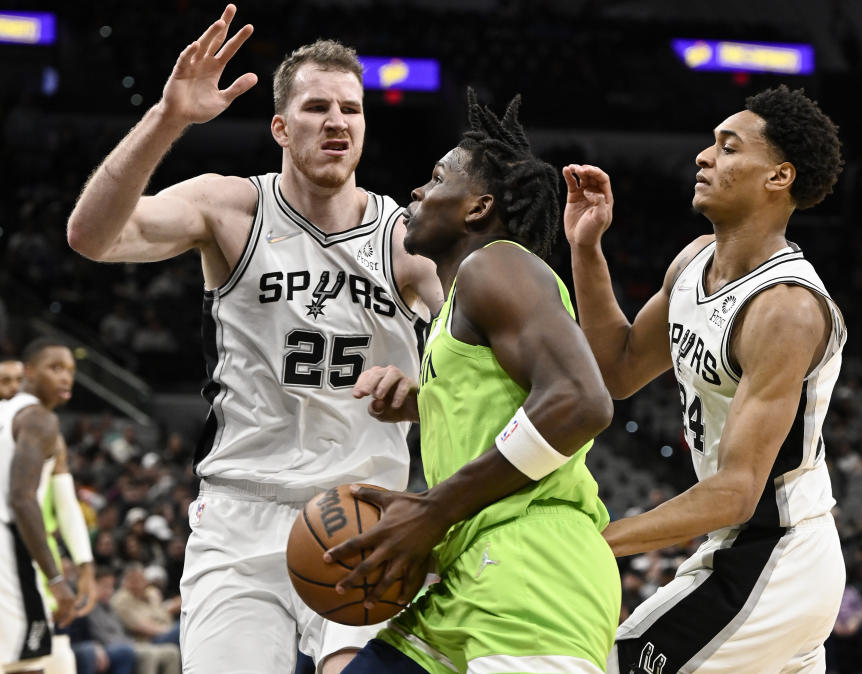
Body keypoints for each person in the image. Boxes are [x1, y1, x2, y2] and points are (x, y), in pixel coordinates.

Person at [65, 5, 442, 673]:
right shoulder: (230, 207)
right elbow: (92, 238)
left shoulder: (406, 238)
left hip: (362, 514)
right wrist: (168, 119)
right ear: (279, 125)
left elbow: (478, 371)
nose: (335, 121)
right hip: (242, 512)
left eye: (350, 110)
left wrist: (422, 393)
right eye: (316, 107)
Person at [328, 90, 621, 673]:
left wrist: (433, 508)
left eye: (436, 179)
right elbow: (498, 398)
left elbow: (583, 401)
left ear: (477, 208)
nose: (417, 191)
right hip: (465, 579)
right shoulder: (459, 302)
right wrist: (426, 403)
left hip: (534, 579)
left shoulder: (498, 263)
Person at [563, 85, 847, 673]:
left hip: (776, 552)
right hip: (739, 547)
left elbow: (738, 490)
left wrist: (600, 541)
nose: (704, 156)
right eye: (710, 144)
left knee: (601, 663)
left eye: (728, 147)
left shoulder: (785, 308)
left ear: (778, 176)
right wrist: (586, 248)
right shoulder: (692, 260)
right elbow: (616, 369)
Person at [1, 339, 79, 672]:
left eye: (71, 371)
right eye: (55, 368)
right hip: (7, 547)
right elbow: (21, 498)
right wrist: (55, 580)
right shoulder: (39, 419)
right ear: (29, 372)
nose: (66, 378)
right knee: (26, 662)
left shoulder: (5, 410)